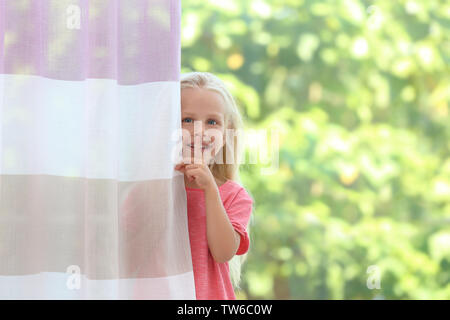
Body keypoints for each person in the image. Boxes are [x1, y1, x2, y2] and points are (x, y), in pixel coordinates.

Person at [174, 71, 254, 300]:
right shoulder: (153, 188)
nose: (199, 132)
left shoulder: (233, 195)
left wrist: (210, 189)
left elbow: (223, 252)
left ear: (226, 133)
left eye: (212, 122)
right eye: (187, 120)